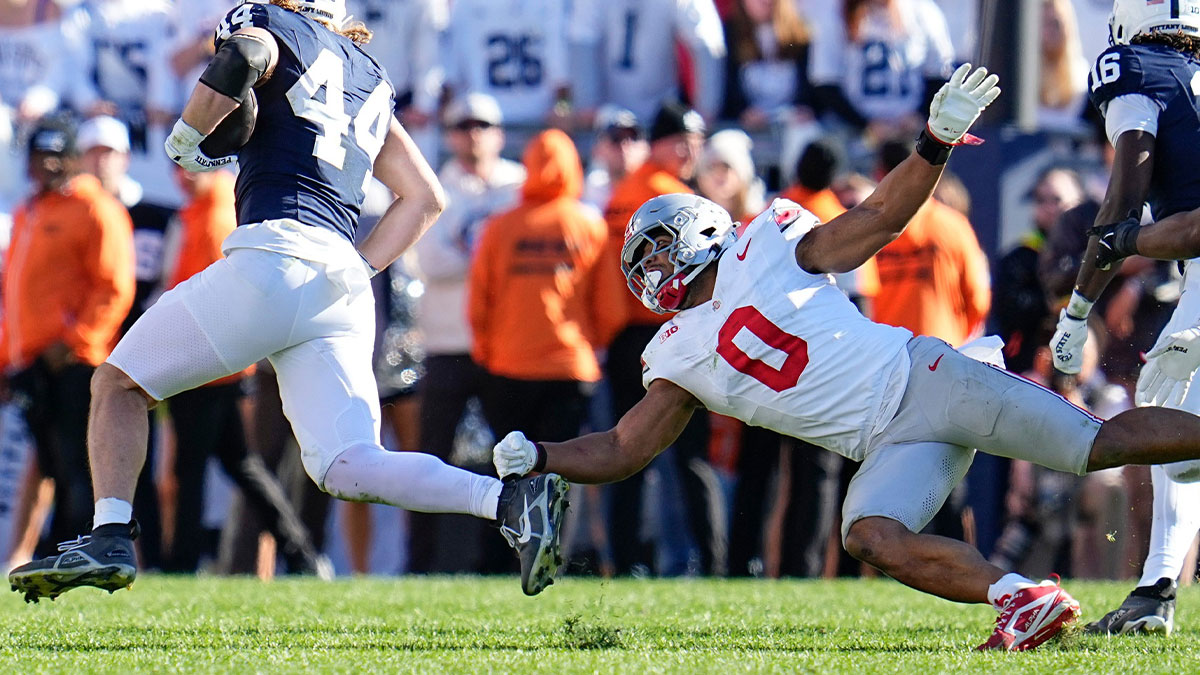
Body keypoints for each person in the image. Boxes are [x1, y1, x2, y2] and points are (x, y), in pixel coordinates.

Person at [491, 64, 1200, 653]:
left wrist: (932, 141)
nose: (650, 270)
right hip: (886, 441)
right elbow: (623, 445)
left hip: (929, 380)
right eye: (641, 261)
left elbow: (877, 219)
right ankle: (1021, 598)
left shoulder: (764, 242)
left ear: (700, 230)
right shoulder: (673, 352)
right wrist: (545, 455)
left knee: (1099, 446)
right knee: (868, 533)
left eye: (657, 249)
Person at [7, 0, 568, 602]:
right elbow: (424, 199)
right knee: (347, 464)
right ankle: (508, 499)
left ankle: (111, 534)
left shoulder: (273, 25)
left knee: (117, 384)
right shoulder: (370, 75)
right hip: (343, 285)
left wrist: (186, 140)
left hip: (272, 254)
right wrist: (357, 267)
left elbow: (246, 53)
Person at [1049, 0, 1200, 636]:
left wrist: (1078, 308)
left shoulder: (1135, 66)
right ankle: (1155, 586)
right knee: (1179, 412)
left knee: (1171, 407)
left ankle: (1156, 588)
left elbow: (1124, 200)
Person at [1, 115, 135, 557]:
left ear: (75, 159)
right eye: (41, 156)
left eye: (59, 156)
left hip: (76, 364)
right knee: (55, 467)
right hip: (32, 365)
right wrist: (9, 360)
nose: (49, 166)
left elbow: (114, 286)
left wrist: (74, 342)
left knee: (78, 468)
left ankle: (85, 553)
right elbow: (15, 298)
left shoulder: (95, 207)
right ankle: (64, 554)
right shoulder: (28, 211)